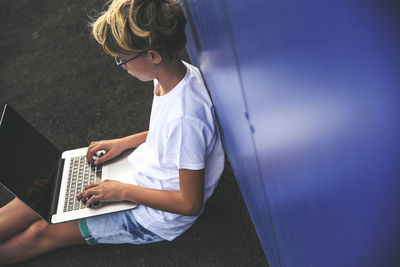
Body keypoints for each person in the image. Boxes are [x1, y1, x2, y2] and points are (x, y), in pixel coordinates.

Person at [0, 0, 224, 264]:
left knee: (42, 231)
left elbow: (189, 204)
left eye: (123, 59)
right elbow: (169, 138)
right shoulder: (172, 79)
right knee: (40, 197)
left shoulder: (186, 116)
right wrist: (124, 142)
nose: (121, 66)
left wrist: (121, 192)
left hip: (154, 215)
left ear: (153, 55)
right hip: (138, 178)